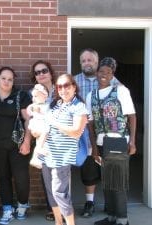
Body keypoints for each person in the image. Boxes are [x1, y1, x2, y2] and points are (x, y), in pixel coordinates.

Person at [86, 57, 136, 225]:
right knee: (107, 182)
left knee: (118, 182)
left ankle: (122, 219)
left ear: (112, 74)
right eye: (101, 71)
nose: (104, 74)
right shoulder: (90, 95)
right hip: (101, 143)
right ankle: (112, 217)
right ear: (96, 73)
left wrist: (133, 142)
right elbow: (90, 124)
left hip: (119, 141)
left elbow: (132, 116)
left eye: (108, 72)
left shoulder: (121, 91)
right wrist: (94, 147)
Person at [0, 66, 32, 225]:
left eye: (10, 79)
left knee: (21, 178)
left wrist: (27, 140)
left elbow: (28, 119)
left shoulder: (21, 95)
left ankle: (22, 205)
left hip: (18, 144)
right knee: (3, 177)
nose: (6, 81)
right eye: (3, 78)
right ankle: (7, 209)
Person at [74, 48, 120, 217]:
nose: (87, 63)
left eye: (90, 60)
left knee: (108, 169)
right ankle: (90, 202)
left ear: (97, 62)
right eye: (84, 60)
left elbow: (122, 96)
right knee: (89, 170)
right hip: (86, 134)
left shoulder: (109, 78)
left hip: (108, 133)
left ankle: (110, 203)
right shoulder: (75, 81)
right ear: (81, 63)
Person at [42, 73, 88, 225]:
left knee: (60, 193)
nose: (63, 89)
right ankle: (58, 222)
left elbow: (76, 131)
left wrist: (53, 122)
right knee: (51, 193)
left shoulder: (79, 106)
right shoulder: (56, 104)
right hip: (47, 154)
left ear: (74, 87)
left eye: (66, 85)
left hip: (62, 157)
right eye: (59, 86)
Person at [30, 60, 57, 221]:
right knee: (47, 177)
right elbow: (29, 114)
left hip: (61, 140)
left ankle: (63, 208)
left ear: (50, 72)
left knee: (61, 177)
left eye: (44, 70)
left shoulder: (60, 89)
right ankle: (52, 208)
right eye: (37, 72)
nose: (41, 74)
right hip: (43, 140)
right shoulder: (32, 93)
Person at [27, 84, 49, 169]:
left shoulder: (46, 105)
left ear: (44, 96)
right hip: (37, 125)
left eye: (36, 96)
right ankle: (37, 154)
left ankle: (36, 158)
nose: (33, 98)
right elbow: (29, 112)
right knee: (45, 133)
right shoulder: (35, 106)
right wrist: (34, 109)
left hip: (41, 125)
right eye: (33, 96)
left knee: (40, 141)